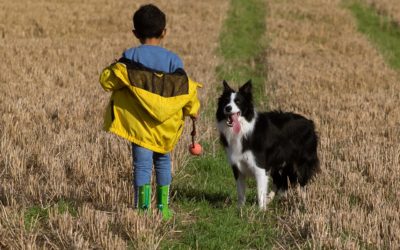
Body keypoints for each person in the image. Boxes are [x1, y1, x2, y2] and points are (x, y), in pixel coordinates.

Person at [99, 4, 201, 219]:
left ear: (135, 33)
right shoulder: (174, 60)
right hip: (166, 129)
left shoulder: (130, 56)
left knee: (142, 166)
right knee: (163, 162)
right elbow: (185, 89)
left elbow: (108, 83)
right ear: (164, 32)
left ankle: (143, 210)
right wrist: (193, 110)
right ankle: (163, 208)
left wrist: (112, 68)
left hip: (140, 128)